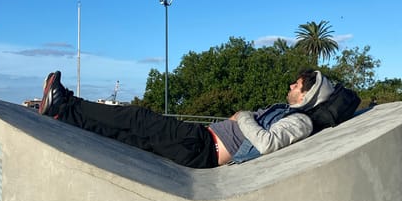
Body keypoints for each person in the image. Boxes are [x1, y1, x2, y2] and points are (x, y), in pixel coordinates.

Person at [38, 69, 335, 169]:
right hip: (201, 142)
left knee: (136, 117)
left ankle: (67, 103)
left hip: (203, 146)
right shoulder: (289, 114)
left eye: (298, 85)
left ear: (310, 95)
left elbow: (268, 143)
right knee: (128, 138)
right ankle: (64, 115)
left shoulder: (301, 122)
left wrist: (243, 116)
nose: (291, 87)